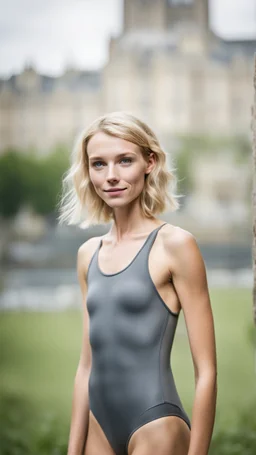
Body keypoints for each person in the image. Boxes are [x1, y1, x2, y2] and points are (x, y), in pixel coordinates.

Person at [58, 111, 217, 455]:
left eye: (124, 161)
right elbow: (86, 366)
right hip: (97, 427)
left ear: (150, 162)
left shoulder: (176, 245)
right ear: (87, 171)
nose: (111, 176)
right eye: (98, 164)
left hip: (156, 424)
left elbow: (205, 371)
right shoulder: (88, 254)